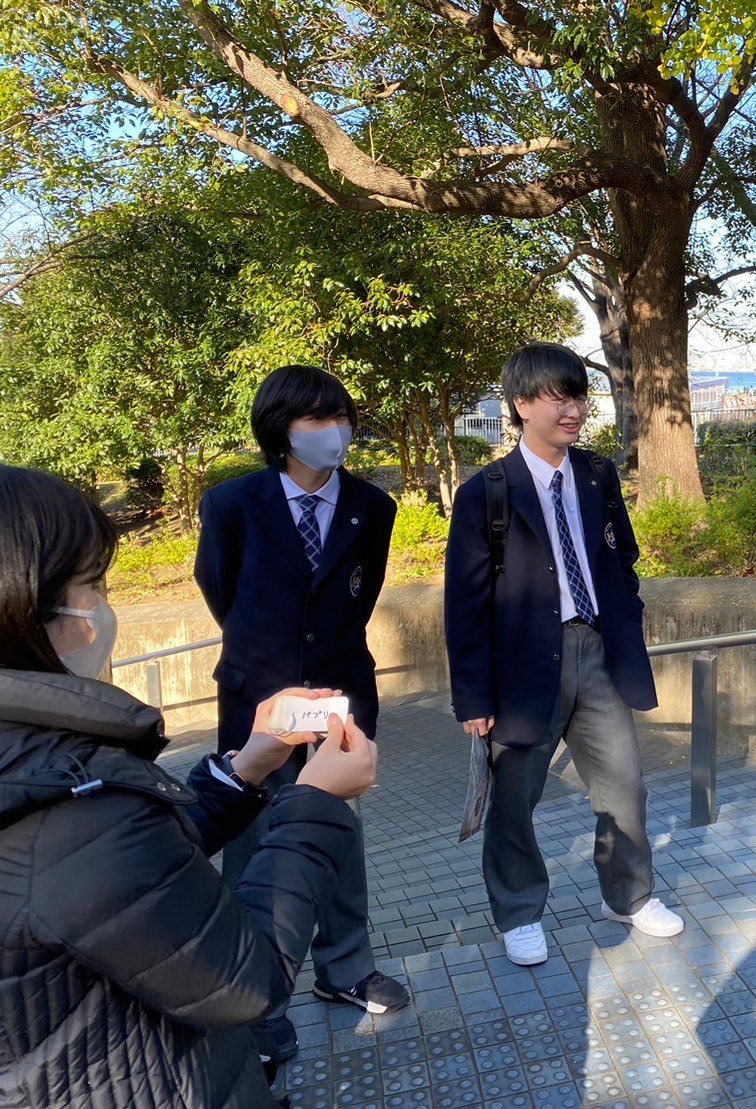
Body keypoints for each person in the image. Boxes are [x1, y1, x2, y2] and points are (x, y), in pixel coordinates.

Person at [0, 464, 379, 1108]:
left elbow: (131, 881)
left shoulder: (43, 770)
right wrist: (316, 805)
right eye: (92, 583)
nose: (104, 607)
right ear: (24, 606)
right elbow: (244, 978)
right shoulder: (69, 796)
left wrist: (243, 769)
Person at [444, 342, 683, 968]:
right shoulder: (486, 492)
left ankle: (628, 897)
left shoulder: (597, 475)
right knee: (514, 800)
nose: (572, 409)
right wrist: (473, 697)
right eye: (557, 397)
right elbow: (464, 605)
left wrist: (624, 613)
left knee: (624, 786)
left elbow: (621, 556)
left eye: (577, 395)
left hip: (596, 653)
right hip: (522, 667)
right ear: (522, 405)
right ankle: (520, 913)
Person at [194, 364, 405, 1065]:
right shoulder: (232, 503)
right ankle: (253, 1002)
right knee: (253, 843)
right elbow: (221, 589)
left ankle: (345, 969)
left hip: (342, 693)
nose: (333, 431)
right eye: (315, 419)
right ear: (280, 430)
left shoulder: (372, 506)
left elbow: (359, 596)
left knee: (336, 830)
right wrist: (269, 663)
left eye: (341, 416)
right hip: (258, 699)